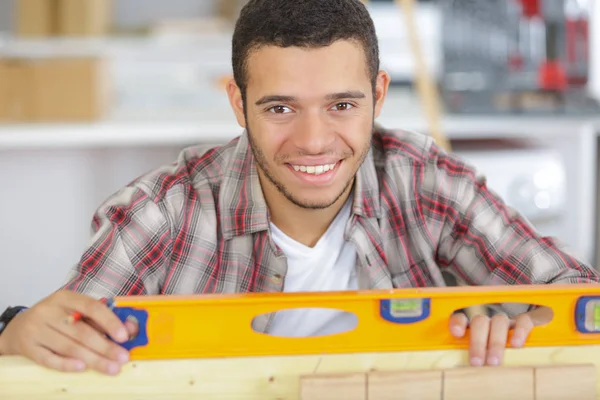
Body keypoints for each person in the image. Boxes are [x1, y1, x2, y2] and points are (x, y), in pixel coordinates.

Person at [0, 0, 598, 376]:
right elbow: (65, 356)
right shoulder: (160, 215)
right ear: (237, 103)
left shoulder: (421, 179)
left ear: (379, 97)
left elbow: (581, 300)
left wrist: (513, 321)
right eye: (280, 107)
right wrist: (14, 334)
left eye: (342, 104)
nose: (314, 141)